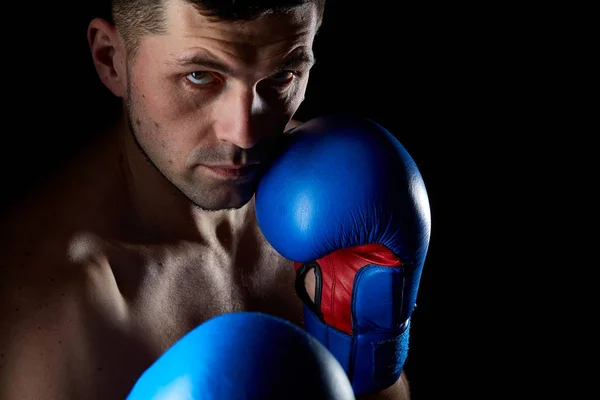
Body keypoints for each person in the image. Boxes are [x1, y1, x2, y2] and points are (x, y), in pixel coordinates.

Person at [0, 1, 418, 399]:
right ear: (112, 60)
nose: (244, 133)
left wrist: (377, 349)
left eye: (282, 76)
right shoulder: (57, 314)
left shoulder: (349, 200)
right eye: (200, 76)